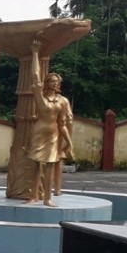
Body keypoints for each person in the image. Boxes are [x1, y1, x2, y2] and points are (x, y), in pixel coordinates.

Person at [26, 39, 73, 206]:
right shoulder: (40, 97)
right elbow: (35, 76)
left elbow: (62, 124)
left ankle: (47, 198)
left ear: (59, 83)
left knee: (51, 166)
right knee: (36, 165)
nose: (54, 83)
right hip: (39, 132)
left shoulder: (62, 101)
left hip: (53, 134)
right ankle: (33, 196)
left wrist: (69, 143)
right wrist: (35, 52)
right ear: (47, 83)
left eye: (56, 81)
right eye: (51, 81)